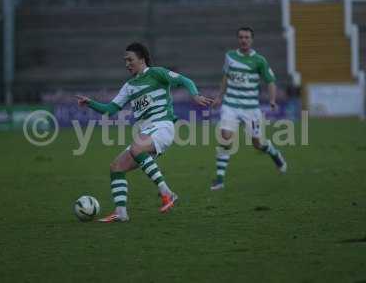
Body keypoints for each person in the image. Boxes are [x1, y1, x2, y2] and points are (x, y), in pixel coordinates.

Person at [76, 42, 213, 222]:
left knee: (137, 147)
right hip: (147, 132)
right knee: (116, 167)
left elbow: (184, 80)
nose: (127, 64)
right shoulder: (129, 86)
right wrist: (90, 103)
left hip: (163, 126)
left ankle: (167, 193)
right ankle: (121, 212)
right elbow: (110, 109)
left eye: (130, 59)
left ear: (141, 59)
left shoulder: (156, 73)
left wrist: (195, 95)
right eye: (125, 60)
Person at [211, 27, 287, 191]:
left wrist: (272, 100)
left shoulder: (259, 60)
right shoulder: (230, 56)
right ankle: (219, 180)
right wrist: (219, 97)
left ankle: (274, 153)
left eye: (247, 37)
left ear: (252, 40)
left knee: (257, 144)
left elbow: (270, 81)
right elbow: (225, 77)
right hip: (230, 105)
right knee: (225, 138)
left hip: (251, 108)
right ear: (238, 39)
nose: (244, 40)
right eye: (241, 37)